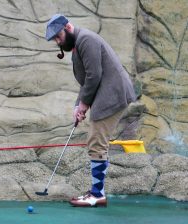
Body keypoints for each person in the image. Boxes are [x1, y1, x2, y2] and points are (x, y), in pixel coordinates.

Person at [45, 14, 136, 207]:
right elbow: (87, 79)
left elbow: (94, 76)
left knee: (96, 141)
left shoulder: (86, 39)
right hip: (106, 94)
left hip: (113, 94)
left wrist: (84, 104)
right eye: (54, 39)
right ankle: (96, 192)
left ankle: (97, 195)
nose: (57, 41)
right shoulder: (78, 44)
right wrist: (78, 105)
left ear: (67, 27)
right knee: (96, 140)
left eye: (58, 36)